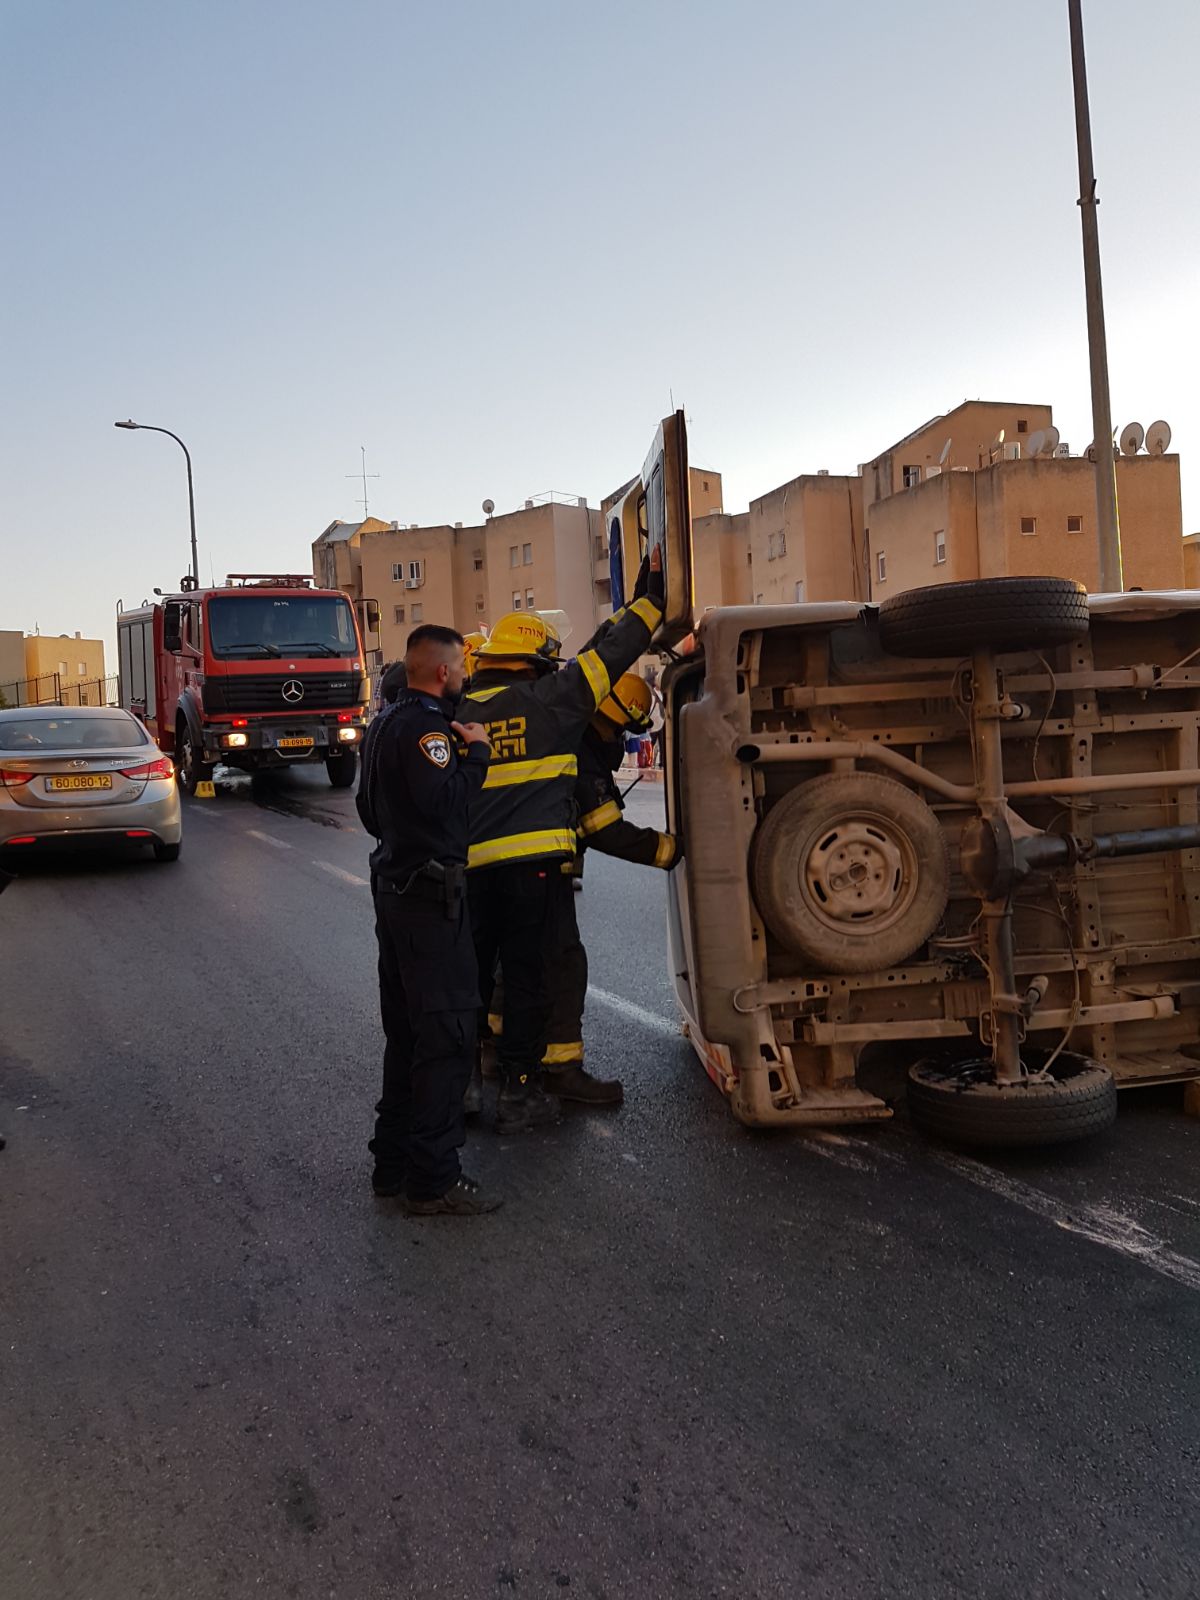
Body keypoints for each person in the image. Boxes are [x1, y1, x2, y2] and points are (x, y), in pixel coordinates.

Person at [463, 552, 666, 1133]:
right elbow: (608, 657)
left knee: (478, 974)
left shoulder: (458, 709)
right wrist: (648, 604)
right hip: (533, 871)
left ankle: (475, 1082)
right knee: (532, 975)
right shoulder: (552, 701)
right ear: (533, 665)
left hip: (473, 871)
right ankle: (524, 1088)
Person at [356, 623, 499, 1216]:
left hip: (395, 894)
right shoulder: (429, 731)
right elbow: (447, 804)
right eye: (462, 668)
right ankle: (433, 1179)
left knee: (408, 1035)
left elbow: (368, 810)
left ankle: (391, 1164)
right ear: (443, 672)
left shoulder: (384, 722)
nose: (464, 678)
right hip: (429, 901)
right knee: (445, 1037)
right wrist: (478, 754)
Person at [489, 671, 681, 1104]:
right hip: (542, 869)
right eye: (622, 728)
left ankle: (493, 1049)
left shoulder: (563, 732)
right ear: (610, 717)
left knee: (515, 960)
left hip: (509, 866)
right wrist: (670, 851)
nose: (622, 739)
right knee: (563, 963)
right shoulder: (582, 747)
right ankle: (562, 1068)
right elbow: (604, 829)